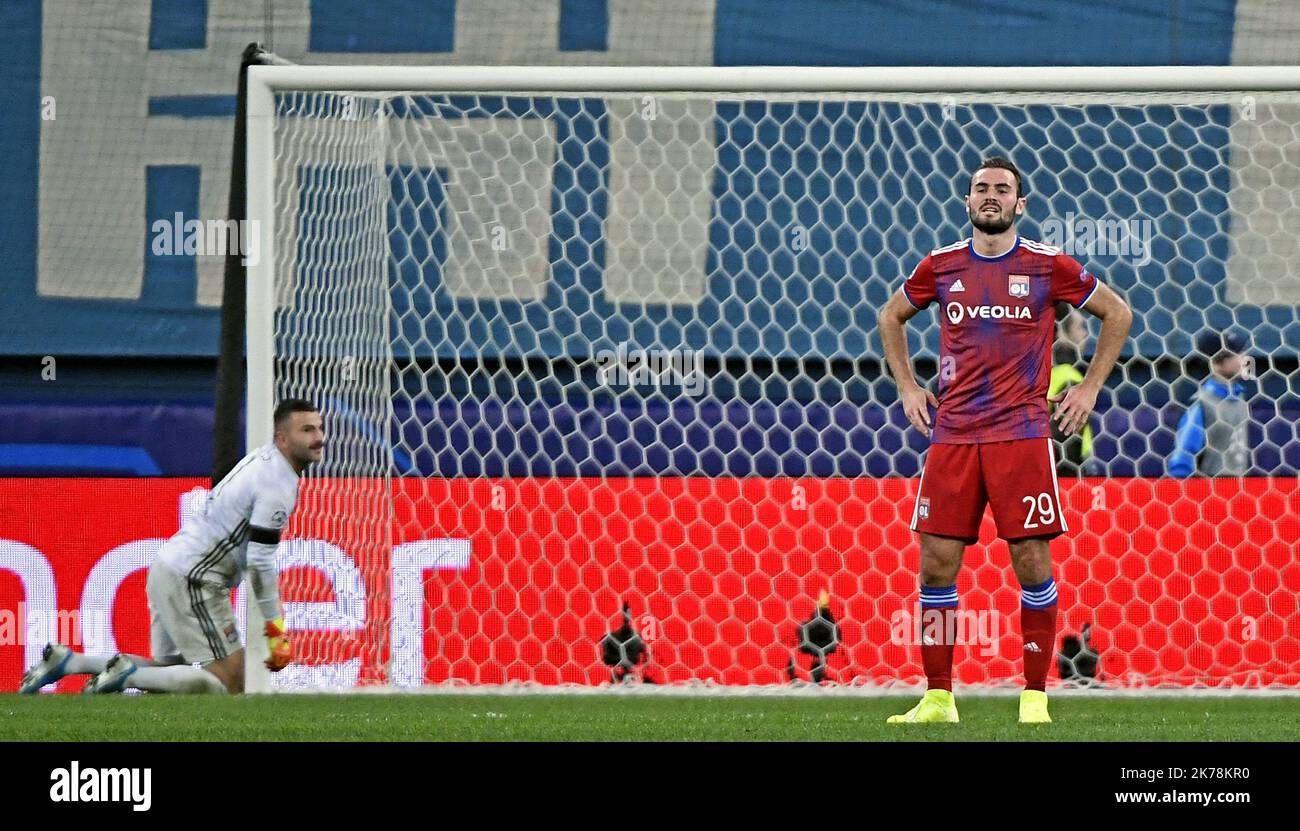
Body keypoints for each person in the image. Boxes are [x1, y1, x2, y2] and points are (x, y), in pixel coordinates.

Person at [877, 157, 1132, 724]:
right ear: (967, 203)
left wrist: (1089, 387)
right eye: (980, 189)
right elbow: (891, 316)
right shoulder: (941, 266)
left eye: (1002, 190)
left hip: (1020, 433)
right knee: (937, 563)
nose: (990, 196)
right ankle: (939, 697)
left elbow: (1117, 312)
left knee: (1030, 558)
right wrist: (907, 387)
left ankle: (1035, 694)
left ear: (1021, 204)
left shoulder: (1046, 266)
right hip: (954, 434)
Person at [19, 399, 324, 695]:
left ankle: (71, 662)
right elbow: (260, 561)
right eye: (307, 430)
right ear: (282, 438)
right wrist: (275, 626)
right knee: (230, 681)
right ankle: (126, 677)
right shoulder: (277, 483)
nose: (318, 438)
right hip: (195, 579)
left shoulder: (262, 460)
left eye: (319, 429)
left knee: (166, 668)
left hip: (170, 565)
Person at [1168, 331, 1251, 477]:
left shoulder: (1240, 399)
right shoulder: (1204, 404)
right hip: (1212, 493)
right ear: (1218, 362)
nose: (1244, 357)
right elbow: (1183, 457)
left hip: (1238, 493)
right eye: (1237, 353)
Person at [1049, 307, 1100, 476]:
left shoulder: (1043, 371)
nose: (1085, 334)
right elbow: (1065, 436)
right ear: (1063, 331)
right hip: (1068, 475)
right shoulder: (1070, 376)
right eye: (1080, 327)